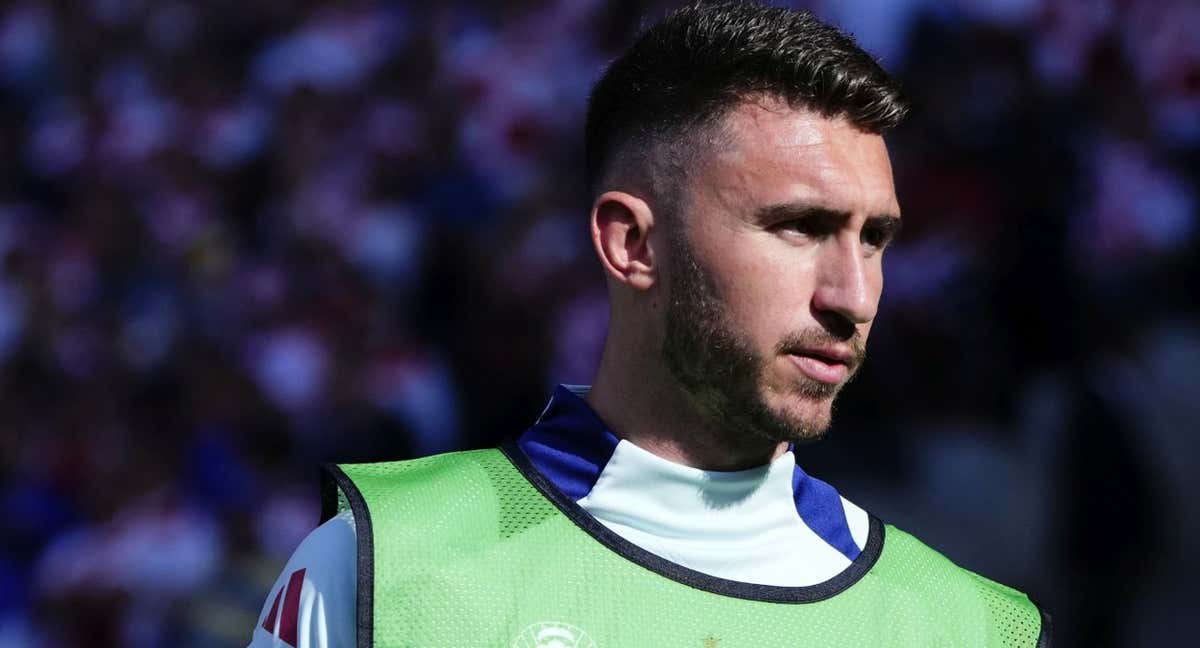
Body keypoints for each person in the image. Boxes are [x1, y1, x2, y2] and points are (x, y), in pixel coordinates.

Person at [248, 2, 1051, 646]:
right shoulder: (381, 566)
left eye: (874, 238)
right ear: (632, 244)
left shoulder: (969, 628)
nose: (855, 295)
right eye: (799, 227)